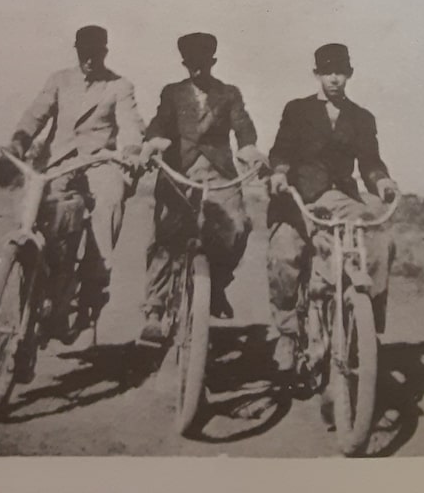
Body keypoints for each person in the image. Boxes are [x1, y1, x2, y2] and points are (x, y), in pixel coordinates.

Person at [8, 25, 146, 357]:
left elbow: (130, 124)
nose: (89, 59)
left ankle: (94, 283)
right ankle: (30, 300)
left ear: (105, 52)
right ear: (76, 51)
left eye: (96, 52)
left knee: (110, 198)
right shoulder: (59, 80)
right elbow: (36, 113)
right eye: (84, 52)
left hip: (101, 162)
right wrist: (20, 138)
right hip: (58, 163)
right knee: (37, 217)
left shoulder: (119, 86)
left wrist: (131, 151)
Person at [267, 43, 397, 371]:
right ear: (317, 75)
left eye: (339, 72)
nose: (334, 79)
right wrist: (280, 174)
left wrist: (382, 182)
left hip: (342, 200)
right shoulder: (297, 110)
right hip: (299, 200)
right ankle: (288, 333)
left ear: (349, 74)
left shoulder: (362, 118)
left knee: (379, 240)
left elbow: (370, 162)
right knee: (284, 254)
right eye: (327, 72)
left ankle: (366, 326)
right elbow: (281, 150)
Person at [139, 32, 267, 342]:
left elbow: (243, 126)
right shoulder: (172, 93)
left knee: (237, 227)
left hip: (219, 171)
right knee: (167, 236)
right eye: (191, 64)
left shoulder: (229, 94)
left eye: (203, 64)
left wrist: (249, 148)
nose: (197, 70)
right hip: (178, 172)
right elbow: (160, 121)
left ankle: (217, 285)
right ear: (184, 64)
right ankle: (154, 310)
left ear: (212, 62)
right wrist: (154, 141)